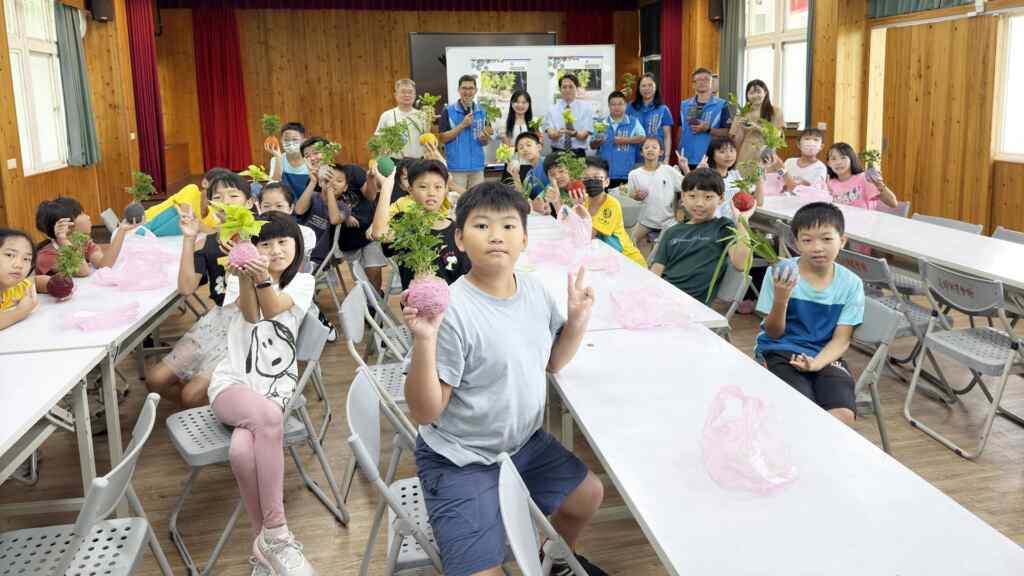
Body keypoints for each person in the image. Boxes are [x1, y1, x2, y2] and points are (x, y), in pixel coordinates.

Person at [404, 182, 608, 576]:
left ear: (524, 239)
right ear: (460, 239)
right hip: (460, 457)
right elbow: (426, 412)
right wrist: (425, 341)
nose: (496, 235)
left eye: (508, 226)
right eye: (482, 226)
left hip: (523, 445)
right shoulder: (453, 310)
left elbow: (553, 362)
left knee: (587, 496)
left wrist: (578, 322)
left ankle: (553, 557)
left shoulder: (532, 290)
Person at [207, 211, 317, 576]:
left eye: (283, 242)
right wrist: (245, 276)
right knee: (268, 421)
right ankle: (279, 537)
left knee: (241, 452)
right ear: (253, 248)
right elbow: (253, 316)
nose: (275, 250)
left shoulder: (302, 283)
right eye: (265, 243)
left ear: (297, 246)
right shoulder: (237, 277)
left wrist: (261, 278)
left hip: (276, 388)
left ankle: (262, 549)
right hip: (233, 384)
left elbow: (273, 307)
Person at [145, 172, 254, 408]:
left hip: (250, 324)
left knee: (191, 394)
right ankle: (214, 407)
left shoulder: (261, 236)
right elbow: (186, 288)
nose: (225, 201)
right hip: (218, 320)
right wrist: (189, 239)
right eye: (218, 197)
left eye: (233, 195)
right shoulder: (208, 242)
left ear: (249, 203)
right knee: (155, 380)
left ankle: (217, 408)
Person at [755, 202, 864, 426]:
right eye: (807, 240)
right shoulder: (780, 274)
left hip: (824, 355)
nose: (817, 248)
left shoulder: (851, 284)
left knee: (842, 416)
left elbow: (841, 341)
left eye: (826, 239)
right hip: (779, 350)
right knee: (801, 409)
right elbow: (774, 334)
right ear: (796, 243)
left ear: (842, 241)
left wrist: (816, 363)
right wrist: (781, 298)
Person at [650, 168, 755, 303]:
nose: (699, 203)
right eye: (692, 196)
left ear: (721, 199)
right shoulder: (672, 232)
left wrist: (742, 221)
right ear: (683, 197)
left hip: (693, 306)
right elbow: (656, 271)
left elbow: (742, 264)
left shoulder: (723, 227)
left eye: (708, 197)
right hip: (663, 298)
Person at [368, 159, 470, 290]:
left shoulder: (458, 232)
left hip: (453, 306)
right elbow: (379, 234)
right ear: (411, 190)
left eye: (438, 187)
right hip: (414, 308)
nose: (431, 192)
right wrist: (386, 188)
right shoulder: (406, 225)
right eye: (423, 186)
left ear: (445, 190)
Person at [293, 137, 370, 271]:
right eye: (307, 156)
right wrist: (314, 181)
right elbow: (300, 210)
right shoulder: (313, 186)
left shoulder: (350, 171)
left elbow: (370, 196)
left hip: (363, 233)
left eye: (316, 152)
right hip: (325, 241)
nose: (312, 158)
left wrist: (347, 215)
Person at [34, 197, 136, 277]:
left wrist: (121, 230)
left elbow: (104, 265)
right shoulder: (48, 256)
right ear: (67, 225)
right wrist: (63, 239)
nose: (88, 217)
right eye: (82, 214)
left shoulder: (83, 243)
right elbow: (84, 271)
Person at [577, 157, 646, 267]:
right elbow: (567, 227)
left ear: (607, 182)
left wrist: (578, 209)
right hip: (604, 258)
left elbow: (586, 235)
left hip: (627, 260)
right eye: (586, 178)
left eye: (596, 177)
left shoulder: (611, 205)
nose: (591, 182)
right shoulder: (583, 202)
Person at [628, 137, 683, 258]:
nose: (650, 150)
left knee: (655, 255)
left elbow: (686, 187)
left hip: (668, 221)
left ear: (661, 152)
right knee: (628, 242)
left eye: (654, 147)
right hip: (645, 220)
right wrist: (636, 196)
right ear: (641, 152)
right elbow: (631, 196)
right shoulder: (634, 174)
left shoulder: (668, 170)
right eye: (646, 147)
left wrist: (680, 209)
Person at [439, 74, 489, 192]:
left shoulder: (482, 112)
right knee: (457, 203)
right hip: (456, 168)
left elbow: (484, 142)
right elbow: (442, 138)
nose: (467, 91)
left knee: (477, 202)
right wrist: (462, 125)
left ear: (475, 90)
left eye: (471, 88)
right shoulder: (448, 111)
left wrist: (484, 138)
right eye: (464, 88)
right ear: (459, 90)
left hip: (477, 167)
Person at [677, 68, 731, 171]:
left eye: (706, 79)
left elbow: (727, 132)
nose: (702, 82)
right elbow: (680, 130)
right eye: (698, 80)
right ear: (693, 84)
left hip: (710, 159)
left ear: (711, 83)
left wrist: (708, 129)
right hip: (687, 159)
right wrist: (679, 151)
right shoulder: (684, 105)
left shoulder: (721, 105)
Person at [590, 91, 645, 188]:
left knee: (624, 202)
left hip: (626, 174)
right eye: (613, 104)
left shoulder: (633, 121)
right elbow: (592, 145)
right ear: (609, 106)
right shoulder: (601, 122)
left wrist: (625, 140)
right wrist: (597, 142)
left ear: (626, 105)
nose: (616, 107)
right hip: (604, 174)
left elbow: (642, 137)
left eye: (620, 104)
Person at [257, 182, 317, 267]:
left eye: (279, 206)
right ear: (259, 207)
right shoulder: (253, 232)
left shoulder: (306, 234)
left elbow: (300, 266)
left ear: (291, 208)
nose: (273, 210)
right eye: (267, 206)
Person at [0, 228, 48, 330]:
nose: (19, 265)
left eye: (26, 259)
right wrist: (21, 311)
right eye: (9, 255)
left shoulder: (13, 287)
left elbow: (35, 281)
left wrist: (57, 285)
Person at [729, 79, 785, 165]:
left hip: (766, 153)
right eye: (751, 93)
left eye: (758, 92)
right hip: (745, 153)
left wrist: (756, 127)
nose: (755, 96)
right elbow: (736, 141)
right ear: (747, 95)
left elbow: (776, 137)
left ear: (765, 92)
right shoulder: (742, 113)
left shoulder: (775, 111)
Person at [826, 143, 898, 210]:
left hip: (864, 222)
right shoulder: (829, 183)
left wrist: (879, 185)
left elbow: (893, 203)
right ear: (829, 163)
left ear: (851, 159)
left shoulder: (864, 178)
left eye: (843, 157)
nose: (838, 162)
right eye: (833, 159)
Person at [544, 73, 594, 158]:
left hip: (578, 153)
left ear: (577, 89)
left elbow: (584, 135)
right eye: (564, 87)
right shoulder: (552, 109)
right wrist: (560, 132)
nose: (567, 90)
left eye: (571, 86)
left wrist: (574, 133)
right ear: (560, 89)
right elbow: (551, 135)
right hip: (557, 153)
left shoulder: (586, 108)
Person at [375, 79, 426, 159]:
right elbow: (378, 139)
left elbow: (429, 139)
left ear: (415, 95)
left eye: (410, 92)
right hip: (395, 162)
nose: (407, 95)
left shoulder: (422, 116)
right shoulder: (386, 115)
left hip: (418, 163)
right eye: (403, 92)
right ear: (395, 95)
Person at [630, 72, 674, 163]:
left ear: (656, 87)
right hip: (635, 157)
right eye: (643, 86)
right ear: (639, 88)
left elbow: (667, 136)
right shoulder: (630, 107)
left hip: (657, 157)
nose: (647, 89)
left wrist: (667, 158)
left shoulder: (663, 109)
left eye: (650, 85)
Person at [502, 131, 549, 202]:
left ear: (539, 147)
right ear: (518, 154)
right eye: (521, 148)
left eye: (528, 145)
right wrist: (515, 176)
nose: (525, 149)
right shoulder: (529, 175)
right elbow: (524, 198)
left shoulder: (548, 163)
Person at [783, 128, 829, 193]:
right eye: (807, 139)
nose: (811, 143)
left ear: (821, 147)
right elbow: (779, 175)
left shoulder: (820, 168)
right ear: (799, 144)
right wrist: (779, 168)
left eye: (816, 140)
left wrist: (788, 180)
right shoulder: (789, 162)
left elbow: (813, 190)